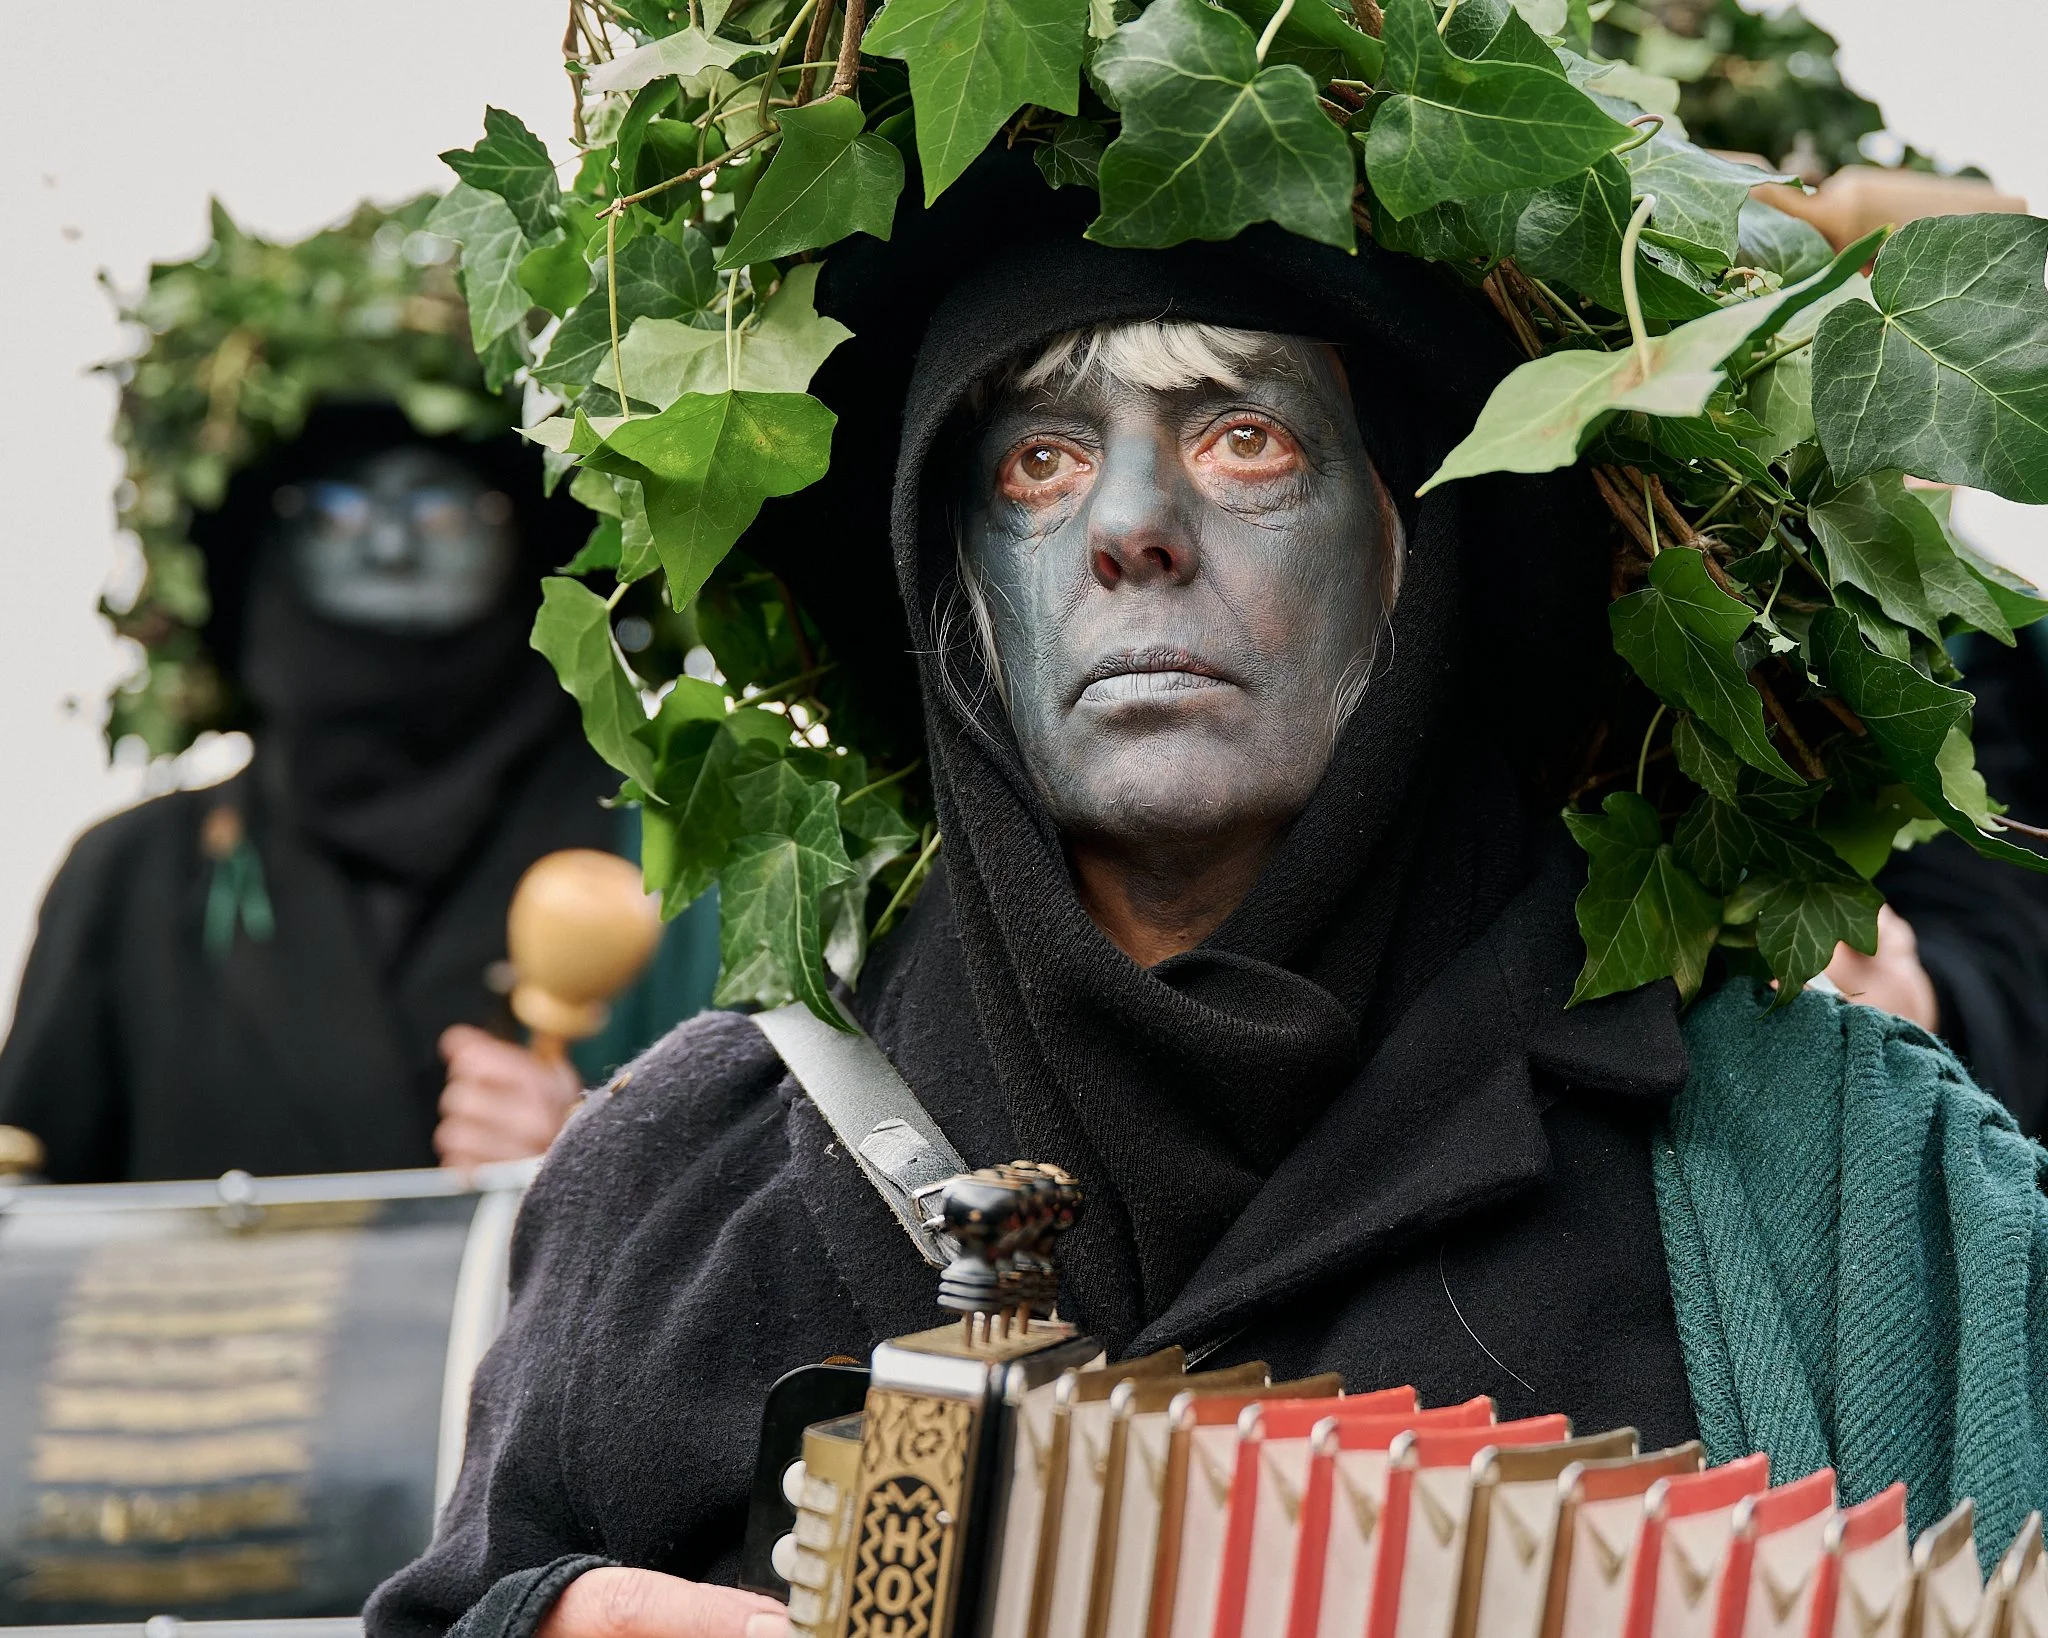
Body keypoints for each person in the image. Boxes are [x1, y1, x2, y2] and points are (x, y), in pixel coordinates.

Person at [366, 171, 2048, 1638]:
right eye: (1035, 459)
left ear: (1414, 546)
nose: (1129, 529)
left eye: (1243, 437)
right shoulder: (677, 1175)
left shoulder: (1846, 1174)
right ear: (950, 593)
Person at [0, 401, 718, 1182]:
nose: (389, 546)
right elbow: (28, 1232)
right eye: (338, 510)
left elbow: (779, 1203)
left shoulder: (672, 857)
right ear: (271, 547)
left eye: (441, 510)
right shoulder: (133, 873)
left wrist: (591, 1171)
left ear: (530, 539)